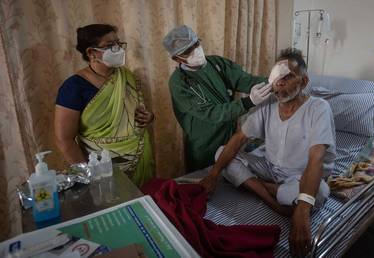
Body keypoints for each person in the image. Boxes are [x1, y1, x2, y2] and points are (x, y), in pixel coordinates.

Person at [199, 48, 336, 257]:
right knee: (221, 154)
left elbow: (316, 160)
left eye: (288, 77)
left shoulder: (319, 109)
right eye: (277, 77)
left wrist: (302, 211)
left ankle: (258, 187)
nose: (280, 83)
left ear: (304, 82)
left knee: (319, 193)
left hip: (301, 175)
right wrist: (212, 175)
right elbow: (239, 139)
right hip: (270, 168)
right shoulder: (268, 105)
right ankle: (270, 196)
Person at [54, 24, 154, 187]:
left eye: (118, 44)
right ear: (91, 53)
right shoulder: (74, 87)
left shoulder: (126, 76)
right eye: (110, 46)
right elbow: (64, 140)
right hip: (102, 169)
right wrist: (88, 175)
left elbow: (132, 114)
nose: (118, 49)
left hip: (140, 157)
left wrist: (149, 117)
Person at [162, 25, 272, 172]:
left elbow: (245, 80)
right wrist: (249, 102)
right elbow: (210, 113)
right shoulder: (179, 82)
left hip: (230, 137)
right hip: (205, 145)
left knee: (234, 178)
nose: (196, 51)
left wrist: (275, 81)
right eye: (188, 51)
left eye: (196, 44)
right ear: (177, 58)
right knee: (207, 182)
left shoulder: (217, 64)